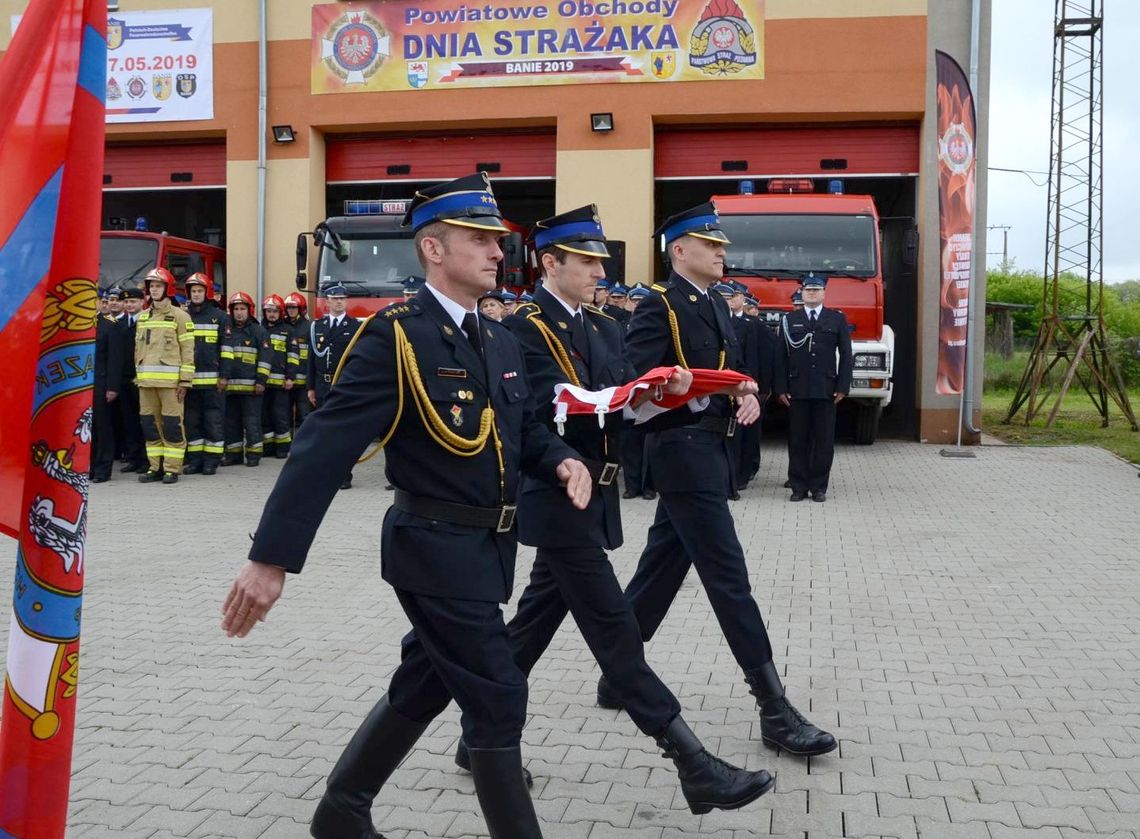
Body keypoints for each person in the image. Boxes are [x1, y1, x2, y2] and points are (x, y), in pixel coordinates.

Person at [221, 173, 592, 838]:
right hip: (433, 548)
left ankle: (341, 810)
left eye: (496, 240)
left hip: (487, 550)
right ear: (433, 249)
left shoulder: (500, 339)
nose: (495, 251)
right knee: (499, 697)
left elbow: (524, 426)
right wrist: (269, 559)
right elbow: (322, 448)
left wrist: (560, 457)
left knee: (428, 676)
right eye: (477, 239)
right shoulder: (395, 336)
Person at [450, 204, 775, 815]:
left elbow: (632, 407)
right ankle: (692, 763)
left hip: (594, 494)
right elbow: (557, 402)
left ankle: (477, 739)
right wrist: (634, 390)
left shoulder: (601, 326)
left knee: (527, 631)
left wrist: (671, 391)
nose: (601, 271)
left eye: (603, 260)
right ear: (551, 262)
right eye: (588, 261)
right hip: (555, 495)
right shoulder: (525, 327)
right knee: (616, 633)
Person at [598, 203, 837, 759]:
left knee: (660, 569)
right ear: (679, 250)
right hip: (682, 454)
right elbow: (632, 384)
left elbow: (726, 371)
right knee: (729, 578)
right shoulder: (661, 306)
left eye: (722, 245)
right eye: (712, 245)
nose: (722, 253)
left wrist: (743, 392)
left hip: (712, 447)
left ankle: (618, 674)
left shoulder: (713, 305)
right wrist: (674, 387)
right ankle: (774, 708)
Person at [775, 273, 853, 503]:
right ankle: (798, 486)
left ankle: (819, 487)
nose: (811, 293)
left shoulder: (836, 319)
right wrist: (780, 388)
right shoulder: (790, 320)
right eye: (807, 290)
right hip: (797, 389)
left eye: (816, 290)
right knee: (797, 440)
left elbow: (846, 355)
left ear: (824, 293)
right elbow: (780, 357)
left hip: (826, 390)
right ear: (802, 292)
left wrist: (843, 386)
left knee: (824, 441)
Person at [134, 268, 195, 484]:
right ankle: (154, 467)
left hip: (170, 384)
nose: (154, 289)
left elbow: (188, 351)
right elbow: (137, 351)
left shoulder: (180, 316)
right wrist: (138, 378)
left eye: (158, 285)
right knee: (149, 425)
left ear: (167, 288)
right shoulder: (142, 317)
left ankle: (172, 468)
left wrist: (185, 381)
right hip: (146, 383)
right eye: (151, 286)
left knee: (172, 425)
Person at [305, 284, 359, 488]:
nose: (338, 302)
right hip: (321, 385)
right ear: (326, 302)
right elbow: (311, 359)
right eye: (334, 299)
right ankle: (324, 472)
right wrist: (310, 387)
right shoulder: (317, 326)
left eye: (342, 299)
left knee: (343, 432)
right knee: (323, 432)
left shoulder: (354, 327)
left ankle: (344, 475)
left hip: (344, 385)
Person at [183, 273, 228, 476]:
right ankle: (195, 461)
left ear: (207, 292)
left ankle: (212, 461)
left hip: (212, 381)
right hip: (190, 381)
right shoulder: (184, 316)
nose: (197, 294)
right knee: (192, 422)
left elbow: (227, 349)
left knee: (213, 422)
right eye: (193, 291)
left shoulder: (220, 317)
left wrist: (224, 376)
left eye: (200, 290)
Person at [220, 292, 269, 467]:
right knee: (231, 421)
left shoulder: (258, 331)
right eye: (236, 309)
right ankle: (233, 454)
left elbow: (265, 358)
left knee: (251, 421)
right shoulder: (226, 330)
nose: (239, 312)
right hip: (231, 387)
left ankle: (254, 454)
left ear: (250, 310)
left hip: (251, 387)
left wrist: (261, 381)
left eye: (242, 309)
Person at [91, 303, 124, 483]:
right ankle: (88, 467)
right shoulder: (77, 324)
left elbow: (115, 359)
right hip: (80, 385)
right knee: (86, 429)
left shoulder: (109, 325)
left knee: (102, 428)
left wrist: (112, 387)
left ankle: (103, 470)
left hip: (101, 383)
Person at [116, 285, 148, 473]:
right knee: (128, 421)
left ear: (142, 302)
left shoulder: (147, 321)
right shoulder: (119, 323)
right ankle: (133, 457)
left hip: (141, 378)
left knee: (144, 420)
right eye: (126, 302)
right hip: (124, 378)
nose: (129, 305)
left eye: (133, 301)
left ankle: (145, 459)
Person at [260, 294, 293, 458]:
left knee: (280, 416)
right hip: (263, 383)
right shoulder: (260, 329)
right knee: (264, 416)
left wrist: (290, 378)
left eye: (275, 311)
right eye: (268, 311)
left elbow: (293, 357)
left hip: (280, 383)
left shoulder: (288, 331)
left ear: (281, 313)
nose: (271, 314)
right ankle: (268, 447)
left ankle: (282, 448)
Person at [282, 292, 312, 431]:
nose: (291, 310)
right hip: (286, 381)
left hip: (303, 381)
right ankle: (288, 446)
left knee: (304, 416)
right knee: (284, 415)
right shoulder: (282, 326)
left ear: (301, 309)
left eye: (294, 307)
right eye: (289, 308)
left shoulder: (309, 327)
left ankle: (303, 446)